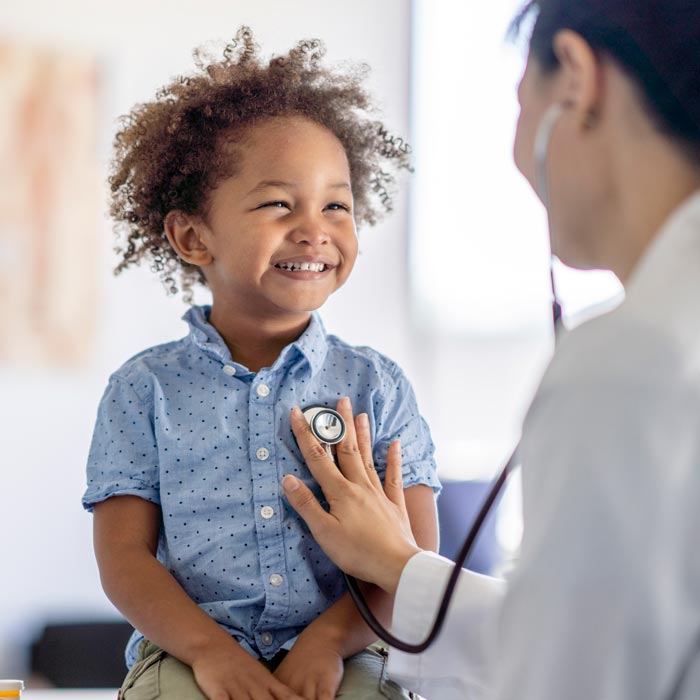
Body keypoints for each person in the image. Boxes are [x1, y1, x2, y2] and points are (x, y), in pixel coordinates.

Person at [283, 1, 700, 699]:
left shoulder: (634, 359)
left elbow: (568, 679)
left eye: (517, 104)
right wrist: (401, 565)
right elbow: (596, 631)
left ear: (575, 79)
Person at [82, 28, 441, 700]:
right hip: (191, 655)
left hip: (348, 648)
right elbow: (125, 560)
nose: (315, 228)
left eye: (336, 204)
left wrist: (329, 643)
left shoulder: (377, 386)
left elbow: (414, 561)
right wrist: (211, 655)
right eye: (279, 203)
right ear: (193, 236)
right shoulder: (143, 389)